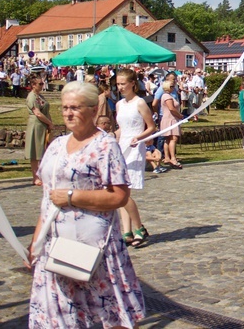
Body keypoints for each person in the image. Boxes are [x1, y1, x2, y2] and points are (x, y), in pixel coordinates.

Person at [27, 81, 145, 327]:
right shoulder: (57, 144)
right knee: (58, 312)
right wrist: (36, 240)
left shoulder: (105, 145)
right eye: (65, 108)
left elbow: (119, 196)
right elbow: (48, 196)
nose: (69, 113)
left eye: (76, 108)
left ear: (93, 110)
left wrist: (73, 196)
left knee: (104, 313)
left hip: (94, 248)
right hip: (55, 243)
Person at [115, 68, 157, 248]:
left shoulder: (140, 103)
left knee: (123, 193)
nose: (120, 87)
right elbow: (120, 128)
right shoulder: (119, 104)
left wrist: (139, 138)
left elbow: (151, 127)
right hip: (121, 147)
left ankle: (139, 228)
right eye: (117, 84)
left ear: (133, 83)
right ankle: (127, 231)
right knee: (120, 191)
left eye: (123, 84)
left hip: (134, 147)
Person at [25, 73, 54, 187]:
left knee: (43, 150)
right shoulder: (32, 97)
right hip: (36, 125)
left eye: (42, 83)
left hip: (43, 125)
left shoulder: (40, 96)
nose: (42, 85)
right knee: (35, 152)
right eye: (40, 84)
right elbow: (37, 113)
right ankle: (35, 176)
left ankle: (43, 174)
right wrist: (49, 122)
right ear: (33, 85)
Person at [159, 79, 183, 170]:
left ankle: (167, 157)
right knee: (173, 138)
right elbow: (171, 108)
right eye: (172, 86)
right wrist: (180, 115)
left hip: (169, 118)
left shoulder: (167, 96)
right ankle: (172, 158)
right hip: (170, 119)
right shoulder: (167, 96)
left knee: (168, 139)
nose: (173, 88)